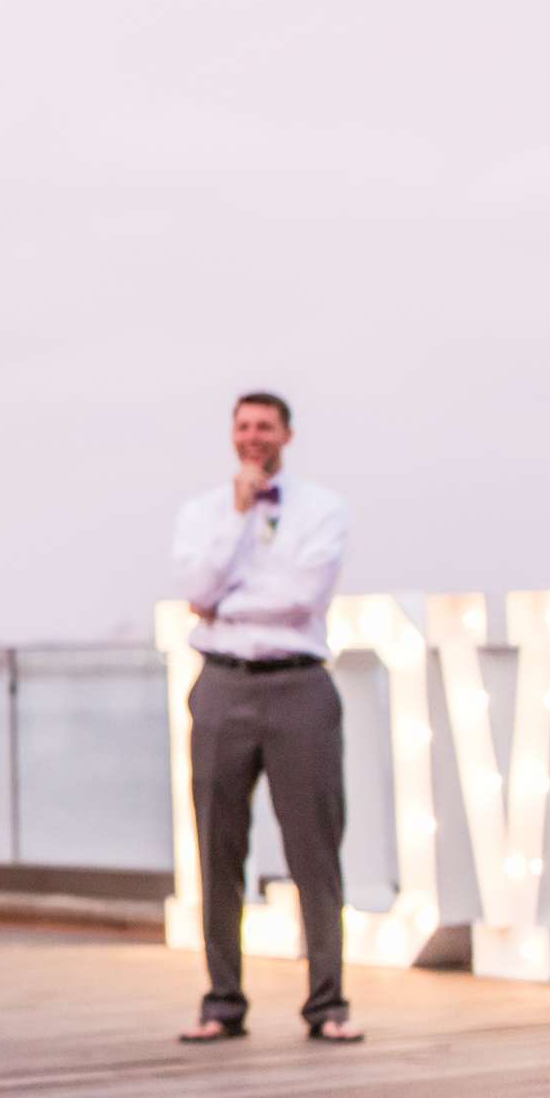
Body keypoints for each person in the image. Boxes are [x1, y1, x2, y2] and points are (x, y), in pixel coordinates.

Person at [173, 391, 360, 1045]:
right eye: (243, 425)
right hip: (222, 684)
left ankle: (328, 1004)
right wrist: (237, 518)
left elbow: (303, 595)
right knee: (217, 848)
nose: (254, 436)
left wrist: (231, 601)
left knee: (316, 848)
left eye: (265, 426)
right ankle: (222, 1002)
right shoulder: (202, 512)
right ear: (232, 434)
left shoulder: (323, 508)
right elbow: (196, 591)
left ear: (287, 433)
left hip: (299, 686)